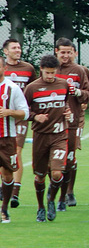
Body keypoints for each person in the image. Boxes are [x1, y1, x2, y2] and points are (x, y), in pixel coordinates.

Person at [24, 55, 72, 222]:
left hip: (59, 135)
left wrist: (67, 112)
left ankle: (51, 200)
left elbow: (65, 104)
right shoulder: (32, 88)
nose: (50, 76)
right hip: (40, 136)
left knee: (57, 173)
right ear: (41, 70)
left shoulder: (63, 84)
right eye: (47, 73)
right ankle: (40, 207)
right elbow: (23, 111)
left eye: (53, 73)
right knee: (40, 176)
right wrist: (35, 117)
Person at [54, 38, 89, 208]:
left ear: (74, 53)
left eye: (69, 52)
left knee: (70, 158)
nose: (66, 55)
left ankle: (68, 192)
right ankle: (55, 191)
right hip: (53, 122)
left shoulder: (79, 70)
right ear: (56, 51)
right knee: (54, 160)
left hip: (72, 122)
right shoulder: (50, 69)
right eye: (63, 52)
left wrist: (78, 93)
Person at [2, 38, 36, 207]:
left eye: (19, 47)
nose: (18, 50)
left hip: (19, 116)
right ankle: (5, 185)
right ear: (5, 51)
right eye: (14, 48)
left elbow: (34, 89)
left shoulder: (28, 68)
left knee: (17, 150)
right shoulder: (2, 69)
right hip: (2, 118)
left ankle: (15, 190)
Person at [0, 56, 29, 223]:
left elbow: (25, 112)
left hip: (7, 138)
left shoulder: (12, 88)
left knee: (8, 174)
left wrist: (9, 112)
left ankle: (4, 209)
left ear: (5, 69)